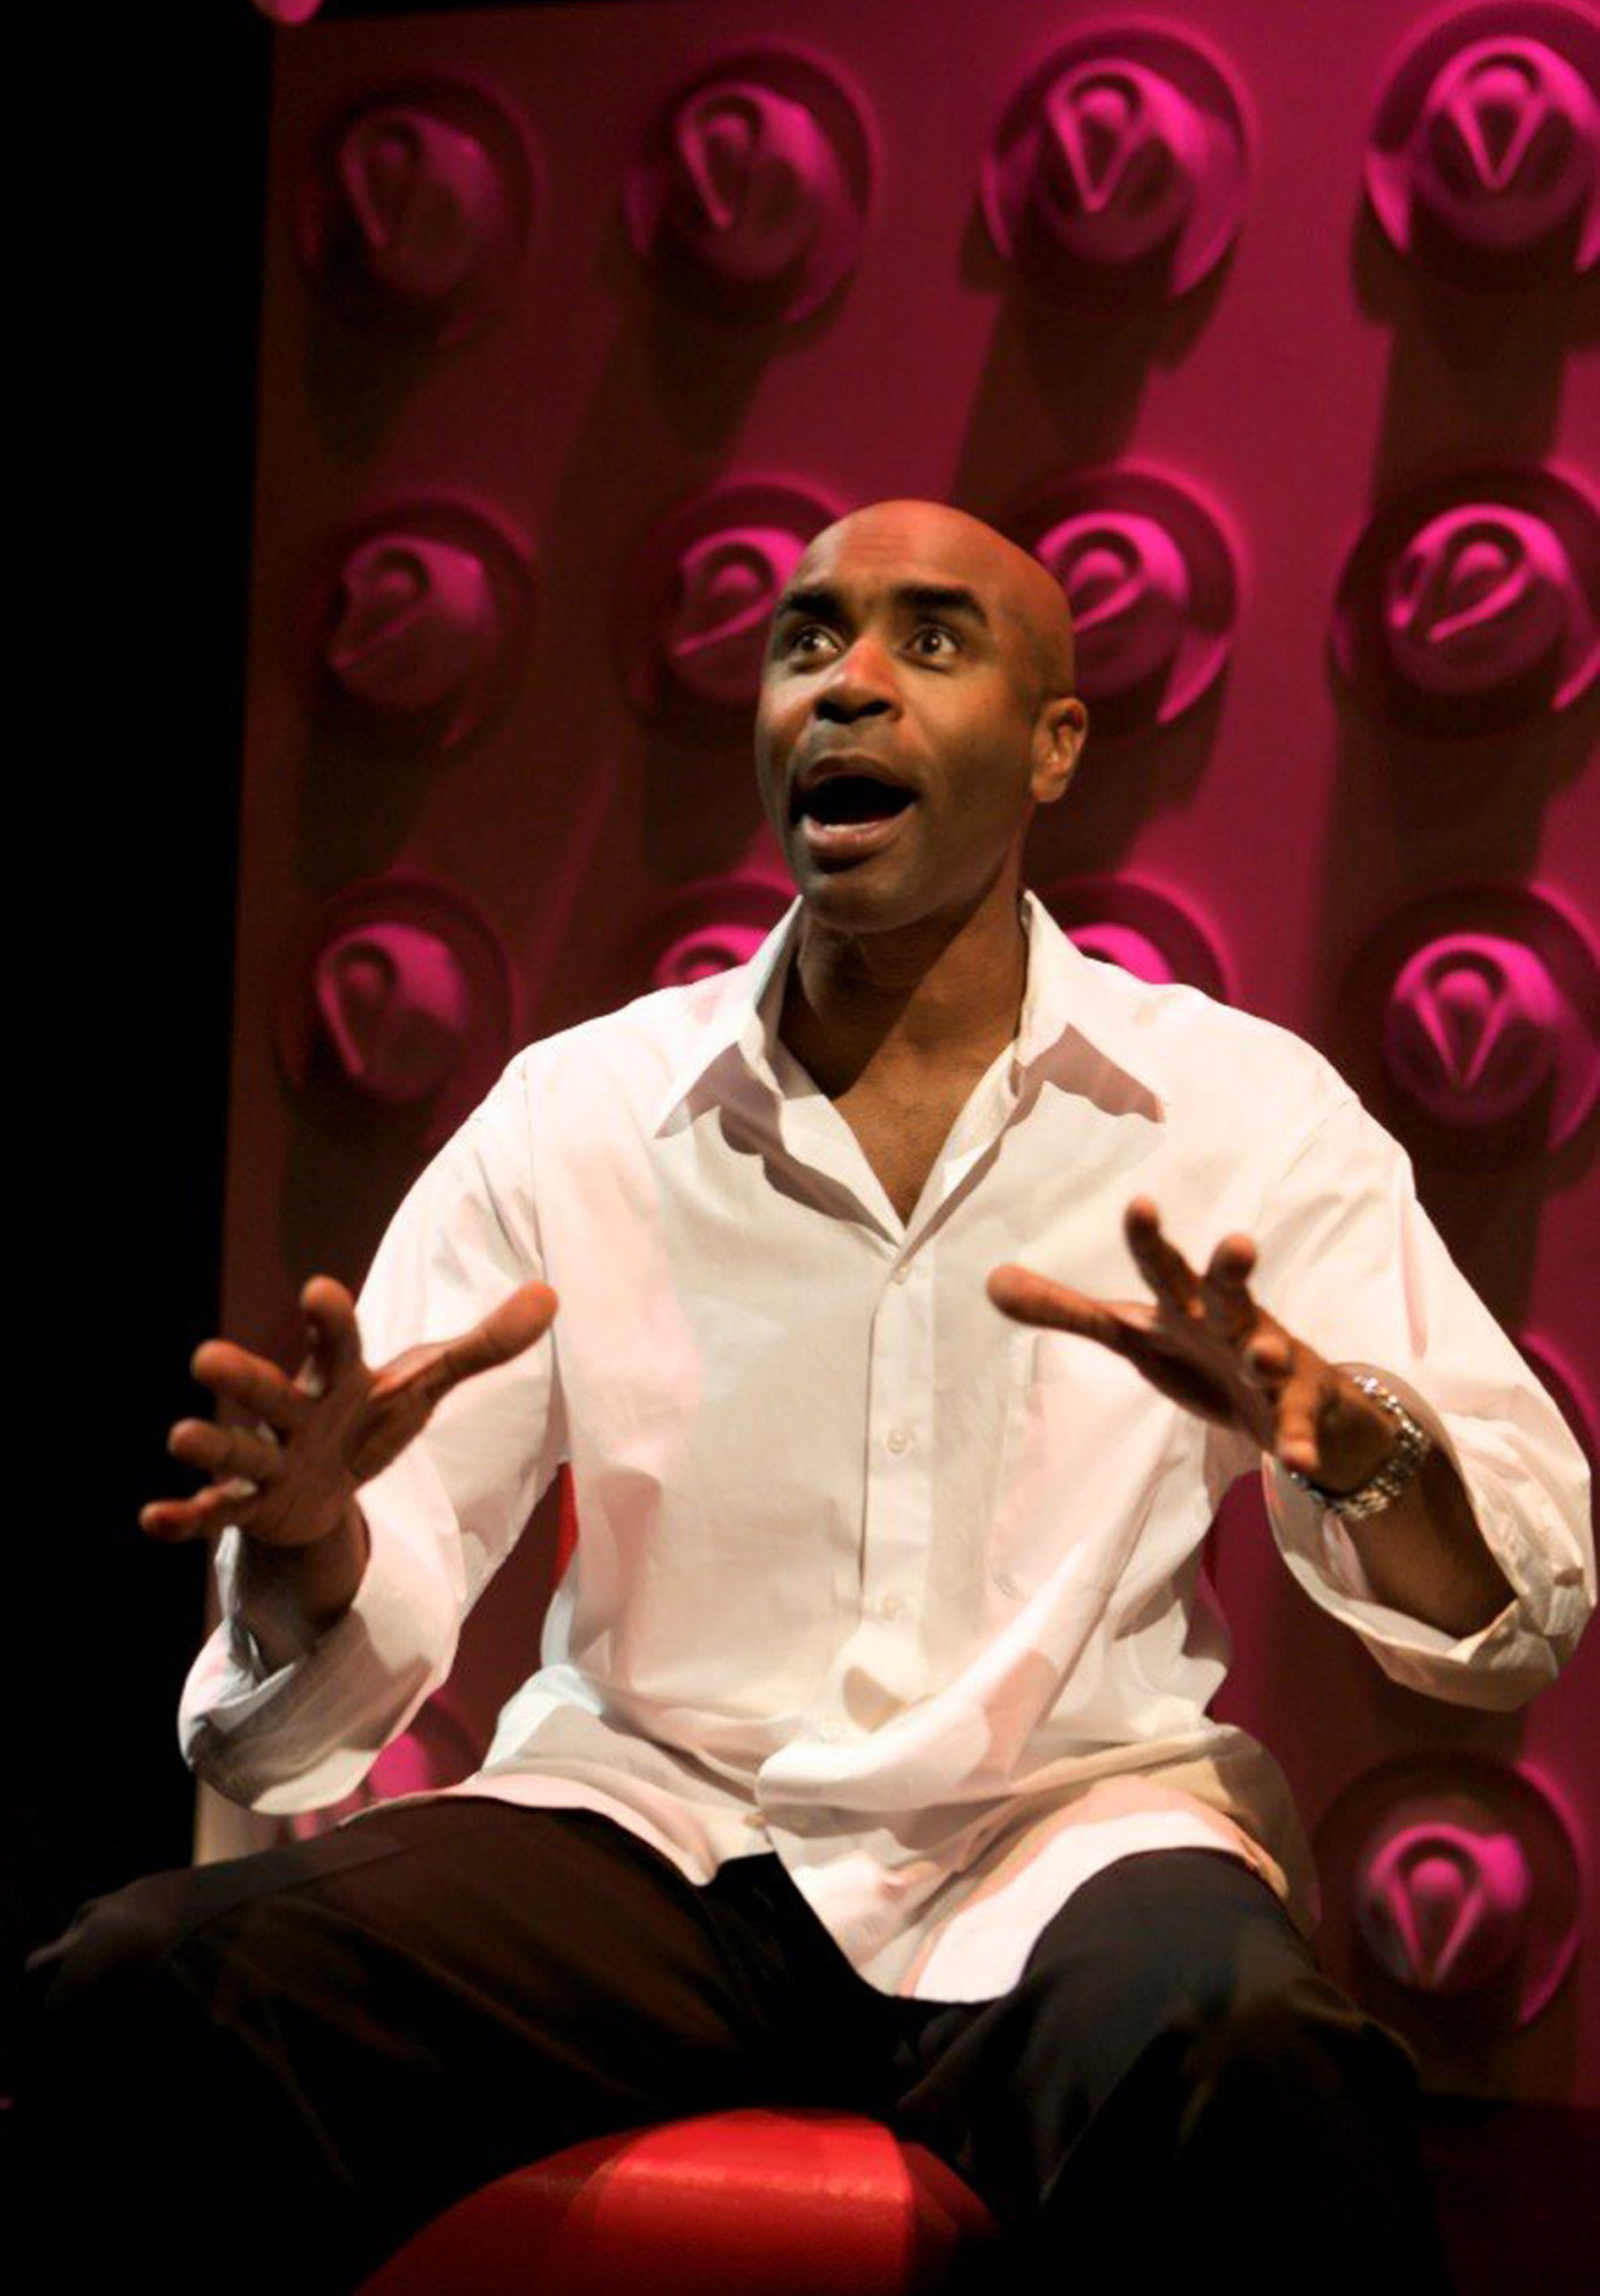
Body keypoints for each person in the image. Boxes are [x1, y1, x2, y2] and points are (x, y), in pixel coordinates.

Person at [19, 502, 1592, 2294]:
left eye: (930, 642)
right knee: (144, 1993)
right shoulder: (582, 1110)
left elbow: (1510, 1617)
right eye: (802, 641)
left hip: (1059, 1839)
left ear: (1054, 742)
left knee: (1255, 2067)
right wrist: (306, 1552)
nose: (846, 684)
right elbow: (294, 1715)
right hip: (646, 1840)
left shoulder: (1241, 1112)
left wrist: (1363, 1449)